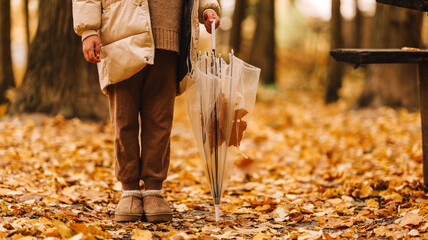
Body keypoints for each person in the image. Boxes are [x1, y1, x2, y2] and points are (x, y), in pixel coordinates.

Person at [72, 0, 220, 223]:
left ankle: (153, 189)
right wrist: (89, 29)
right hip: (120, 35)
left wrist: (207, 8)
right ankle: (129, 189)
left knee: (160, 121)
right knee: (124, 119)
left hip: (171, 40)